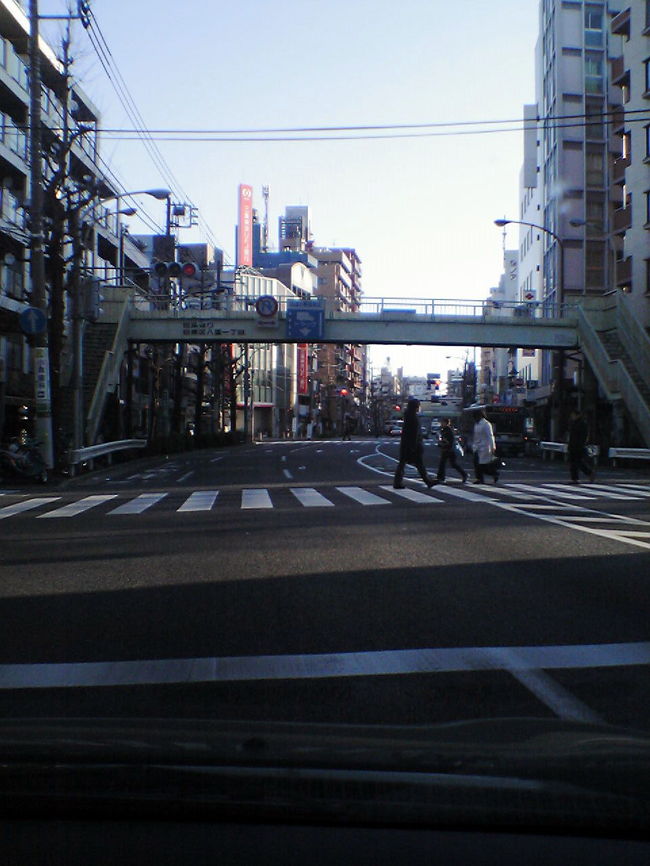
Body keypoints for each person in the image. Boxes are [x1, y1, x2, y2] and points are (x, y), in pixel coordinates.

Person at [393, 397, 437, 489]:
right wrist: (414, 446)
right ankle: (427, 481)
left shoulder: (408, 416)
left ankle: (397, 482)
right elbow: (415, 433)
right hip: (413, 446)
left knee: (403, 463)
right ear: (415, 407)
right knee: (418, 464)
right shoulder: (414, 418)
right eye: (418, 406)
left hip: (406, 444)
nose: (419, 408)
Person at [436, 417, 468, 483]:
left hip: (449, 450)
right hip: (447, 449)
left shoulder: (448, 430)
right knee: (451, 464)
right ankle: (464, 474)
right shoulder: (444, 430)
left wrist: (443, 443)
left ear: (446, 423)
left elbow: (450, 441)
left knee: (444, 463)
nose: (441, 424)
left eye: (442, 422)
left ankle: (441, 478)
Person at [567, 408, 595, 484]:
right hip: (573, 445)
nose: (572, 416)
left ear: (578, 415)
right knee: (573, 463)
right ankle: (575, 479)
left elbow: (584, 436)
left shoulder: (582, 424)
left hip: (578, 446)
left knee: (578, 462)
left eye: (573, 415)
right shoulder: (574, 423)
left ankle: (589, 473)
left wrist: (581, 444)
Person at [472, 408, 499, 484]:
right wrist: (474, 445)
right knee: (476, 463)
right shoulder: (476, 424)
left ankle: (494, 474)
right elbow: (475, 436)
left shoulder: (486, 424)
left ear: (480, 416)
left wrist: (493, 447)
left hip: (485, 447)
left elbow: (490, 436)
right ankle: (479, 479)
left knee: (483, 465)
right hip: (477, 447)